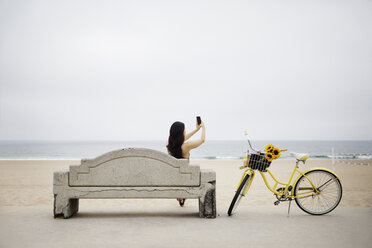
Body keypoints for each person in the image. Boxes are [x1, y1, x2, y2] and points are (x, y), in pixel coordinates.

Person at [166, 119, 206, 206]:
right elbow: (202, 140)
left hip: (173, 178)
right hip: (186, 178)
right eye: (185, 130)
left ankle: (180, 196)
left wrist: (196, 130)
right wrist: (203, 127)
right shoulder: (187, 146)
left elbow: (183, 138)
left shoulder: (168, 144)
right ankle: (181, 195)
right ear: (181, 134)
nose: (185, 132)